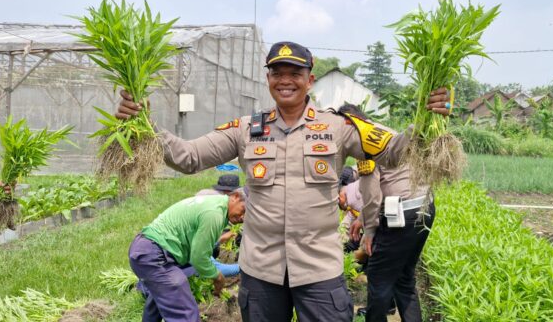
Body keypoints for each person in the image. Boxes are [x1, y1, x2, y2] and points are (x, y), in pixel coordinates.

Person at [116, 41, 453, 322]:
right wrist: (144, 125)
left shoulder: (338, 127)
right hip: (262, 273)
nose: (286, 80)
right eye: (278, 73)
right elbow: (188, 157)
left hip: (319, 271)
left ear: (310, 79)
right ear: (268, 79)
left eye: (295, 73)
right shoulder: (245, 129)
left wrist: (427, 119)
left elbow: (393, 152)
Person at [338, 103, 435, 322]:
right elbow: (388, 182)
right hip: (424, 208)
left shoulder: (362, 140)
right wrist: (363, 218)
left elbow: (372, 194)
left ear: (348, 123)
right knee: (404, 279)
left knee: (378, 278)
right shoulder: (382, 132)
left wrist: (370, 230)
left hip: (400, 216)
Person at [128, 188, 247, 322]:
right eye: (243, 210)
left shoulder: (214, 204)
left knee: (162, 296)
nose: (243, 217)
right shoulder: (214, 214)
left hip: (148, 249)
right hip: (154, 255)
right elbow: (199, 258)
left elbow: (197, 248)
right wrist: (218, 277)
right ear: (235, 197)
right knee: (185, 314)